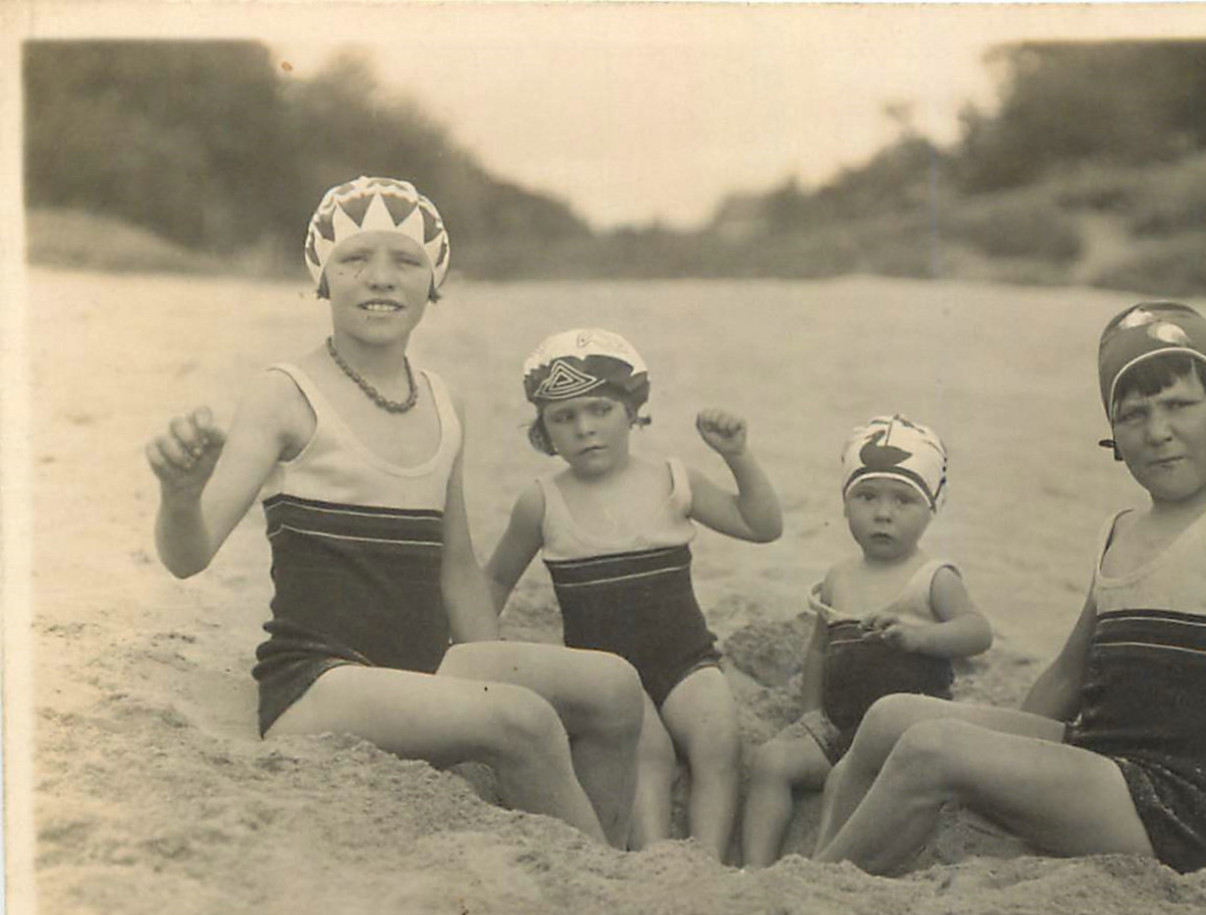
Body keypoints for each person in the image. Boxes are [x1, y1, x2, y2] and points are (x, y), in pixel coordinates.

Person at [814, 300, 1206, 875]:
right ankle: (816, 864)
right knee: (894, 717)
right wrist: (1004, 773)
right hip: (1094, 759)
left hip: (1170, 802)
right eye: (1133, 416)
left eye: (1180, 405)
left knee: (933, 750)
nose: (1158, 432)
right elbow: (1071, 673)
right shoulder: (1120, 530)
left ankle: (819, 888)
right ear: (1114, 438)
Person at [144, 176, 644, 847]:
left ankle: (611, 858)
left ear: (434, 282)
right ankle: (607, 890)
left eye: (405, 261)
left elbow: (460, 567)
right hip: (321, 681)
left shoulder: (443, 400)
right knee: (522, 720)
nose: (380, 279)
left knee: (613, 685)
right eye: (354, 259)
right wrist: (179, 495)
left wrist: (487, 678)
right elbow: (189, 554)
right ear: (322, 277)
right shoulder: (285, 394)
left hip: (422, 669)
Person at [485, 328, 783, 861]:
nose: (585, 429)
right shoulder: (542, 501)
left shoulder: (673, 480)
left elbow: (759, 526)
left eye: (599, 409)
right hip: (607, 677)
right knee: (650, 755)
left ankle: (709, 863)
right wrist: (478, 650)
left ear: (631, 411)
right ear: (545, 430)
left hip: (686, 659)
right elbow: (495, 580)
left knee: (719, 740)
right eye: (564, 418)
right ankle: (657, 861)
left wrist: (738, 457)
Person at [740, 415, 991, 867]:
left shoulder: (931, 578)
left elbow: (977, 632)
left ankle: (823, 868)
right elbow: (819, 649)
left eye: (903, 500)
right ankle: (754, 868)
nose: (883, 512)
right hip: (837, 728)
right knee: (770, 764)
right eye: (866, 496)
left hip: (898, 741)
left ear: (931, 509)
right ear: (844, 504)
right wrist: (810, 713)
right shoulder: (839, 577)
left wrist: (922, 637)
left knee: (844, 784)